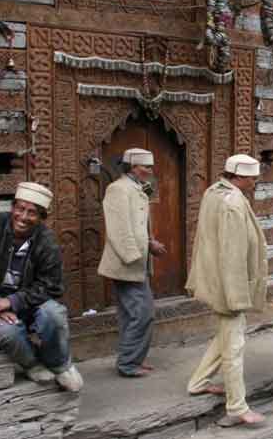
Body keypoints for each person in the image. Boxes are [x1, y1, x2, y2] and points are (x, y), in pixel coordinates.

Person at [0, 182, 83, 392]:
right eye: (20, 208)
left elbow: (52, 285)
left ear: (41, 217)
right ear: (12, 207)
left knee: (54, 314)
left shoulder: (46, 241)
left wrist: (12, 301)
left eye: (32, 213)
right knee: (8, 332)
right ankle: (32, 364)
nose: (23, 217)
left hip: (26, 304)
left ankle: (60, 365)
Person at [185, 154, 269, 428]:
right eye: (252, 178)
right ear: (240, 177)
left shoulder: (213, 192)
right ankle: (237, 407)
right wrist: (236, 296)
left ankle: (198, 382)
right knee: (234, 345)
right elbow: (233, 254)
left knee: (226, 334)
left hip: (214, 279)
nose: (255, 182)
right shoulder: (232, 202)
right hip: (228, 286)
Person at [98, 148, 166, 378]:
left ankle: (132, 359)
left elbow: (138, 226)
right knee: (142, 313)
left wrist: (150, 243)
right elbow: (118, 229)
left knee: (133, 314)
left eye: (150, 167)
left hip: (138, 262)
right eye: (145, 166)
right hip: (128, 263)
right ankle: (128, 363)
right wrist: (134, 256)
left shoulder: (136, 189)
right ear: (132, 167)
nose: (149, 171)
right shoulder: (117, 189)